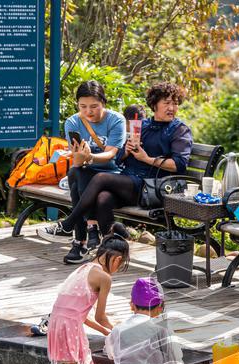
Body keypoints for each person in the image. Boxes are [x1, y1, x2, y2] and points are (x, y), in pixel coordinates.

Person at [39, 82, 194, 265]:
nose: (172, 108)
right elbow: (119, 159)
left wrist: (146, 159)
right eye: (167, 103)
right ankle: (109, 248)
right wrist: (127, 151)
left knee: (100, 178)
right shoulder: (141, 126)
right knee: (98, 194)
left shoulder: (179, 130)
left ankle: (70, 226)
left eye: (175, 103)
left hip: (151, 186)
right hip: (128, 180)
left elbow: (179, 165)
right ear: (154, 104)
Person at [46, 223, 131, 364]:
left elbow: (76, 313)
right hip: (70, 327)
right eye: (121, 265)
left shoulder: (83, 268)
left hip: (55, 323)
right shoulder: (104, 277)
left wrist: (104, 331)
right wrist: (119, 331)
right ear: (116, 260)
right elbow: (100, 316)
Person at [39, 81, 126, 261]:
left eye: (94, 106)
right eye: (83, 106)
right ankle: (85, 233)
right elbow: (77, 163)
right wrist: (80, 157)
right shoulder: (72, 122)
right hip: (85, 174)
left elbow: (110, 154)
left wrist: (90, 157)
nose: (89, 111)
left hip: (112, 176)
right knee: (75, 173)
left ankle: (77, 240)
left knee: (78, 177)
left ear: (104, 103)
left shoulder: (116, 120)